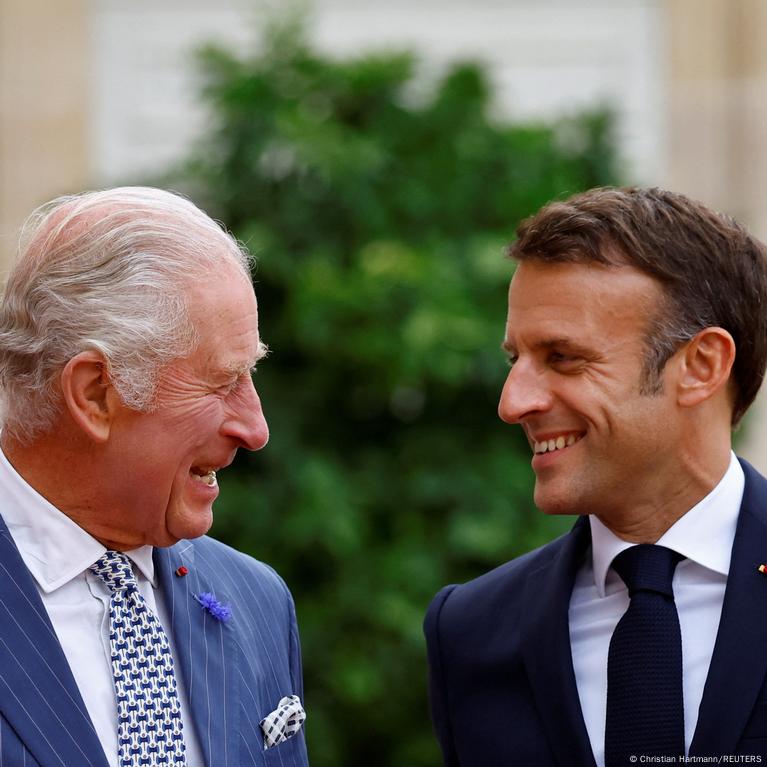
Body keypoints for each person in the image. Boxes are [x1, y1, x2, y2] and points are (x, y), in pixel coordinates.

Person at [424, 186, 767, 766]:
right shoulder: (470, 631)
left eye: (563, 358)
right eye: (516, 359)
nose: (514, 403)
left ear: (702, 366)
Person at [0, 188, 309, 767]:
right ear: (95, 393)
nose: (256, 428)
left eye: (252, 375)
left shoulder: (257, 600)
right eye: (222, 383)